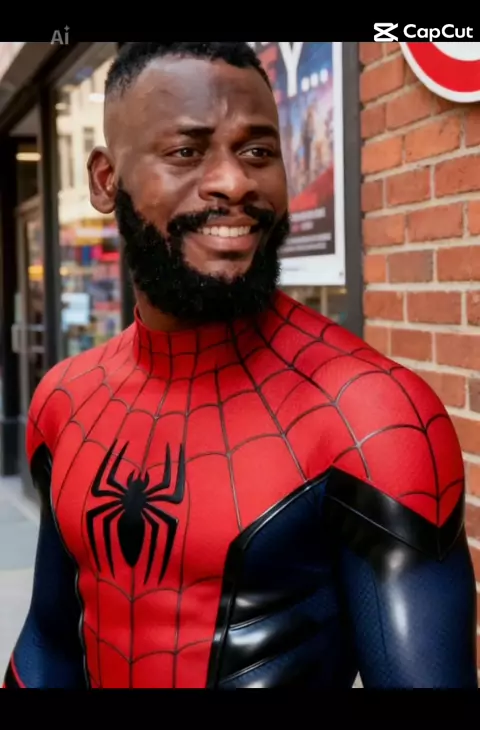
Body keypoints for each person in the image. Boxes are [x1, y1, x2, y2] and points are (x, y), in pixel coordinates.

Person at [3, 41, 477, 690]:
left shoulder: (370, 416)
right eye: (186, 151)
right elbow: (48, 641)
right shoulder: (65, 401)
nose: (234, 181)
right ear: (106, 181)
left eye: (257, 151)